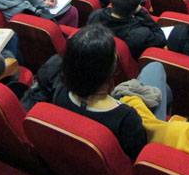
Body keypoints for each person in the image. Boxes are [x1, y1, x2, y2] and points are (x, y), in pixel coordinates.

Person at [54, 24, 171, 160]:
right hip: (143, 151)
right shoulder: (126, 118)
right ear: (111, 67)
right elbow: (141, 158)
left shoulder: (60, 93)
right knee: (155, 68)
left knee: (166, 90)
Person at [87, 0, 166, 60]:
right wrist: (142, 12)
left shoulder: (95, 15)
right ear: (136, 7)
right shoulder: (140, 35)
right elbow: (161, 39)